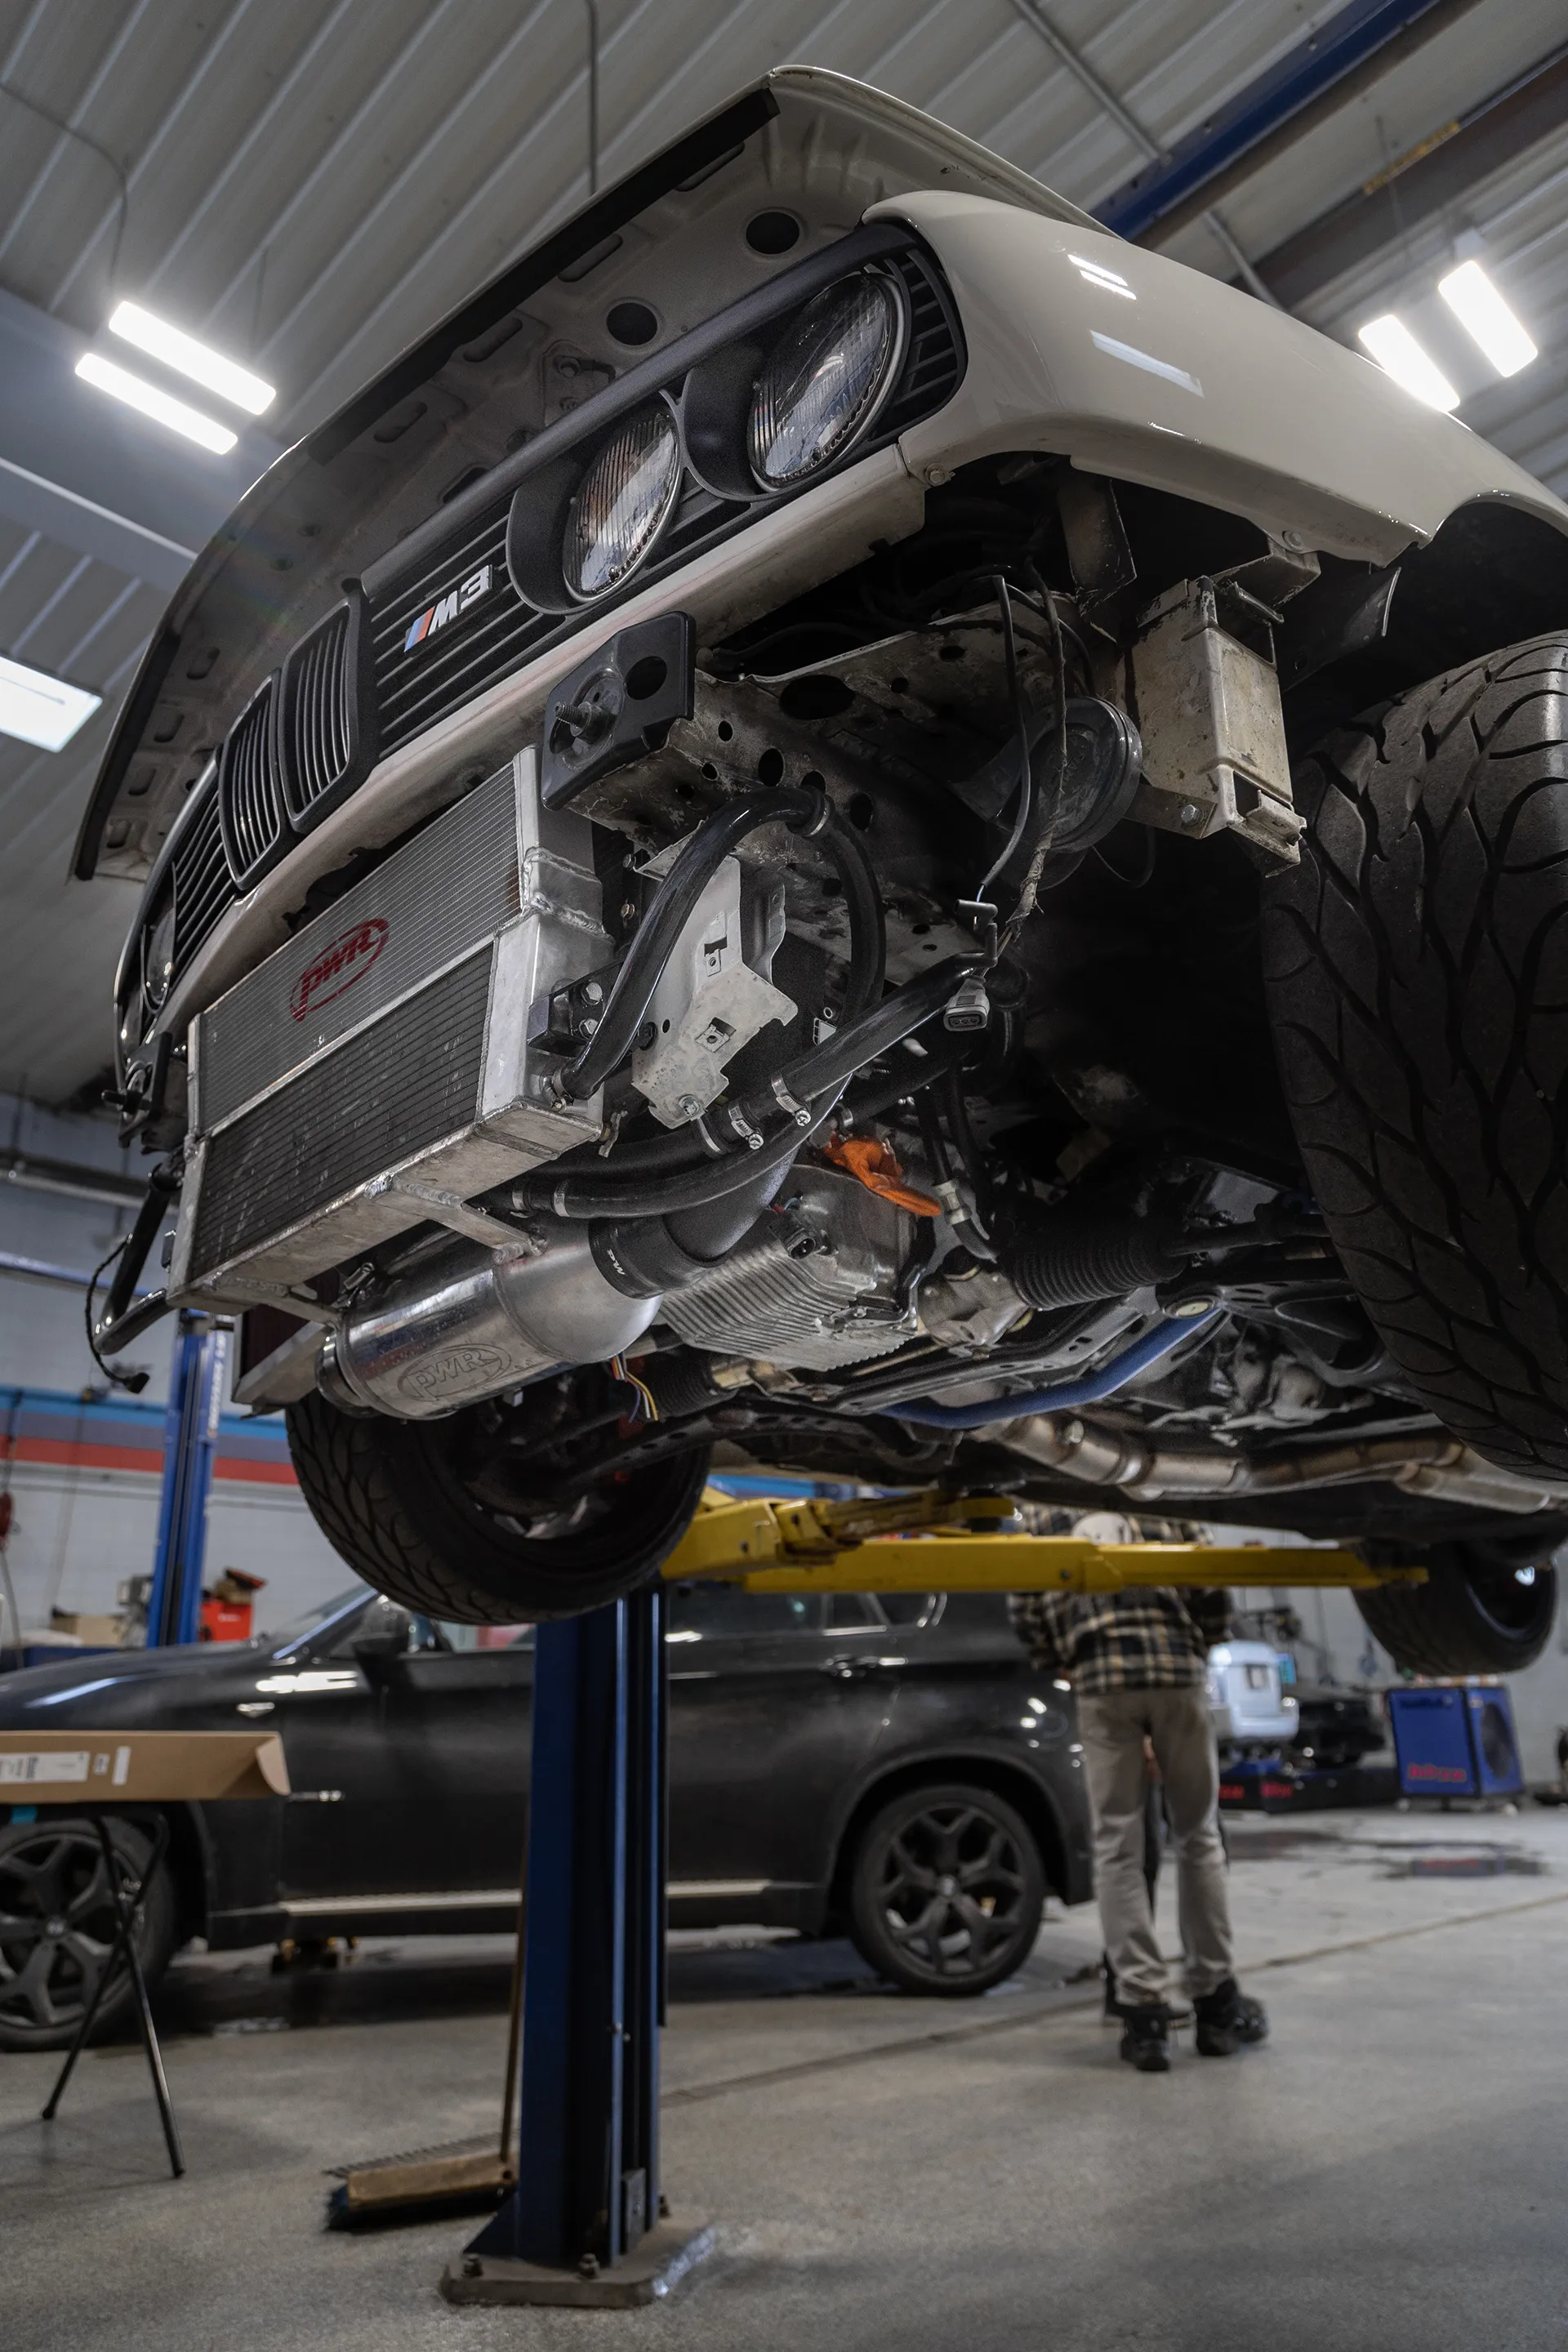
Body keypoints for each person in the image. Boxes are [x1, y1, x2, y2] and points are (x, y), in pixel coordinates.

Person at [1011, 1579, 1268, 2074]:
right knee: (1198, 1835)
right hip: (1175, 1672)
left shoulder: (1047, 1525)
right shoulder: (1167, 1519)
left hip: (1102, 1677)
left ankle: (1144, 2016)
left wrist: (1062, 1658)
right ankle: (1216, 2007)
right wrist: (1198, 1642)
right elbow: (1209, 1585)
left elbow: (1024, 1600)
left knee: (1117, 1845)